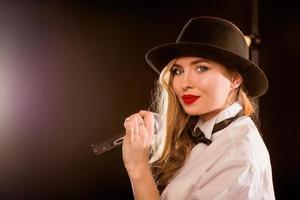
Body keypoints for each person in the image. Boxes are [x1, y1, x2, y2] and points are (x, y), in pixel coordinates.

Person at [122, 16, 275, 200]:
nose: (185, 83)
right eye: (178, 71)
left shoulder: (240, 155)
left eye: (201, 68)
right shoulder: (197, 133)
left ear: (235, 79)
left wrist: (139, 169)